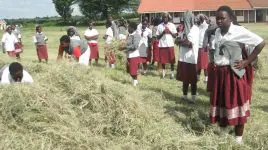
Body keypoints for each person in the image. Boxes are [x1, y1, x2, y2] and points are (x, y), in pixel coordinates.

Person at [210, 5, 265, 144]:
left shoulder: (238, 31)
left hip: (233, 73)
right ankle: (223, 135)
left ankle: (238, 140)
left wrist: (247, 61)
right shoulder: (217, 32)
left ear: (230, 18)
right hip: (219, 74)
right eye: (218, 18)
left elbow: (260, 42)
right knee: (221, 103)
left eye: (223, 18)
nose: (220, 21)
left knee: (237, 103)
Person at [176, 13, 200, 103]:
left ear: (191, 19)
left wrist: (180, 42)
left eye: (187, 19)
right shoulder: (184, 29)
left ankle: (193, 97)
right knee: (184, 78)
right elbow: (177, 40)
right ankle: (184, 95)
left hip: (191, 58)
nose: (185, 20)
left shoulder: (194, 29)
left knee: (192, 79)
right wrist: (181, 41)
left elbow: (189, 44)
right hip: (183, 57)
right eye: (184, 19)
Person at [156, 12, 177, 79]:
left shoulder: (172, 25)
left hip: (170, 45)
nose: (165, 18)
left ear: (169, 18)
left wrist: (170, 32)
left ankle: (172, 74)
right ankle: (163, 74)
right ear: (162, 18)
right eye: (164, 17)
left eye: (166, 17)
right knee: (163, 61)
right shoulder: (159, 26)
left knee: (172, 60)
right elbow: (157, 37)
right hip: (162, 45)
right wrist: (163, 32)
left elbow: (175, 36)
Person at [124, 22, 141, 86]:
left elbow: (135, 46)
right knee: (129, 70)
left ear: (133, 28)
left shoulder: (136, 35)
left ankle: (135, 82)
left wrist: (125, 47)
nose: (128, 29)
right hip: (129, 55)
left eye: (129, 27)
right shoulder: (129, 35)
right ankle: (135, 81)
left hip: (134, 55)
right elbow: (126, 43)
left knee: (133, 70)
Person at [197, 14, 209, 82]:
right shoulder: (198, 27)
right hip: (198, 47)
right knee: (198, 63)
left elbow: (210, 36)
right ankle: (198, 77)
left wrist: (202, 16)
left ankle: (206, 78)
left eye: (199, 19)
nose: (197, 20)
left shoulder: (206, 26)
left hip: (204, 47)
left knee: (205, 64)